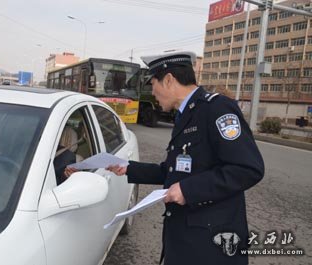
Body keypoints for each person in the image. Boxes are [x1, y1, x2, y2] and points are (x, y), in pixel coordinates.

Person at [107, 51, 264, 265]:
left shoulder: (216, 109)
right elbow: (174, 171)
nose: (152, 91)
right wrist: (129, 168)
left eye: (153, 83)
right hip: (186, 239)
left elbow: (247, 168)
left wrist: (188, 191)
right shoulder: (185, 115)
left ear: (169, 80)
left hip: (210, 246)